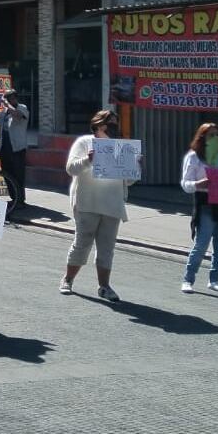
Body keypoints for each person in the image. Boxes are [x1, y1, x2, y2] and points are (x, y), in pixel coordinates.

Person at [59, 109, 139, 302]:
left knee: (107, 248)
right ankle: (68, 279)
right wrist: (89, 159)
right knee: (82, 244)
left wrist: (136, 166)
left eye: (114, 124)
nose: (112, 128)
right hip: (88, 202)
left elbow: (128, 181)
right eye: (108, 123)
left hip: (112, 204)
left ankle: (104, 286)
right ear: (97, 125)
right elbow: (71, 169)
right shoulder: (84, 142)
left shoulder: (121, 147)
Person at [179, 122, 218, 294]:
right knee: (202, 243)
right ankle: (188, 279)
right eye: (211, 135)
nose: (215, 138)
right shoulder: (194, 157)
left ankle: (214, 280)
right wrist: (200, 184)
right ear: (203, 137)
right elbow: (185, 184)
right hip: (206, 202)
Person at [0, 88, 30, 214]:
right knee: (7, 173)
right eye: (6, 98)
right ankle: (14, 198)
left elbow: (18, 117)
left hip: (17, 147)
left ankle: (20, 200)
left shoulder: (22, 108)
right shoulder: (5, 111)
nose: (8, 100)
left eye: (10, 98)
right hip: (4, 147)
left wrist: (8, 106)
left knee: (18, 174)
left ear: (15, 98)